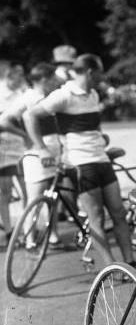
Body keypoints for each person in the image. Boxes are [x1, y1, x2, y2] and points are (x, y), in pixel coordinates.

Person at [24, 53, 134, 267]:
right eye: (100, 73)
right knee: (97, 219)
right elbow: (30, 116)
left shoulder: (93, 94)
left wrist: (102, 140)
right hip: (81, 164)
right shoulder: (63, 95)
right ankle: (112, 269)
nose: (102, 78)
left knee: (119, 213)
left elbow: (93, 127)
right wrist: (42, 149)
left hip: (101, 160)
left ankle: (130, 263)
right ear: (91, 72)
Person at [0, 62, 65, 246]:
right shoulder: (27, 97)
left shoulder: (50, 96)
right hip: (37, 153)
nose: (55, 81)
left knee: (54, 194)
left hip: (54, 149)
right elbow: (4, 121)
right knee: (35, 197)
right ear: (44, 79)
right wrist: (26, 136)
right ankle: (30, 238)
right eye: (52, 78)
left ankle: (53, 234)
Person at [0, 60, 26, 246]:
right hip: (3, 149)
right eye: (18, 77)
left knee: (27, 191)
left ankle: (26, 230)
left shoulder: (20, 94)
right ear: (10, 77)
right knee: (5, 192)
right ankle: (9, 230)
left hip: (19, 147)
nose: (21, 80)